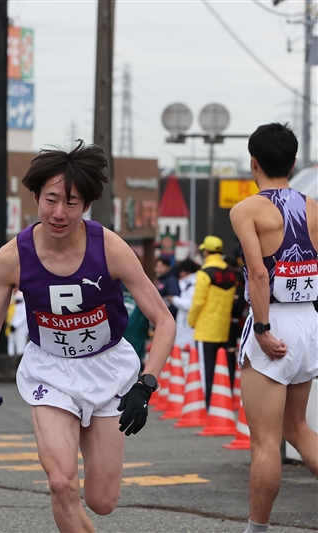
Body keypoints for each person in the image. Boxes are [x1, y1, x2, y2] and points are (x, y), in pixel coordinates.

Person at [0, 140, 175, 533]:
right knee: (61, 482)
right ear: (35, 196)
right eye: (51, 200)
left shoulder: (111, 248)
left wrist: (146, 384)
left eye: (71, 202)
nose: (59, 213)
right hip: (50, 370)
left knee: (102, 501)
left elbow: (164, 321)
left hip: (109, 369)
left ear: (86, 205)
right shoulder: (12, 256)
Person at [229, 122, 318, 533]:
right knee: (297, 428)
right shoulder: (314, 207)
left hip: (275, 317)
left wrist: (262, 328)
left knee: (265, 441)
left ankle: (257, 529)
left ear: (254, 162)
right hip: (308, 318)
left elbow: (258, 274)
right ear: (294, 161)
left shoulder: (246, 210)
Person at [187, 235, 237, 407]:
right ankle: (224, 401)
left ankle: (208, 403)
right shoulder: (231, 272)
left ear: (206, 251)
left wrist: (191, 320)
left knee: (206, 368)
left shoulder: (204, 273)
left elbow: (198, 301)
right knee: (223, 367)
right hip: (225, 327)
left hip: (206, 328)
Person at [168, 258, 198, 351]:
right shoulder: (186, 283)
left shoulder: (195, 284)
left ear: (188, 271)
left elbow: (190, 305)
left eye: (182, 271)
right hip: (183, 323)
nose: (180, 274)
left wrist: (174, 300)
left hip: (189, 324)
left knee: (189, 351)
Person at [7, 290, 28, 357]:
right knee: (11, 344)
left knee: (20, 344)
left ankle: (19, 360)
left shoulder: (21, 295)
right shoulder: (11, 295)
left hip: (21, 327)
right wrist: (10, 324)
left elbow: (24, 315)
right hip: (11, 325)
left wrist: (16, 325)